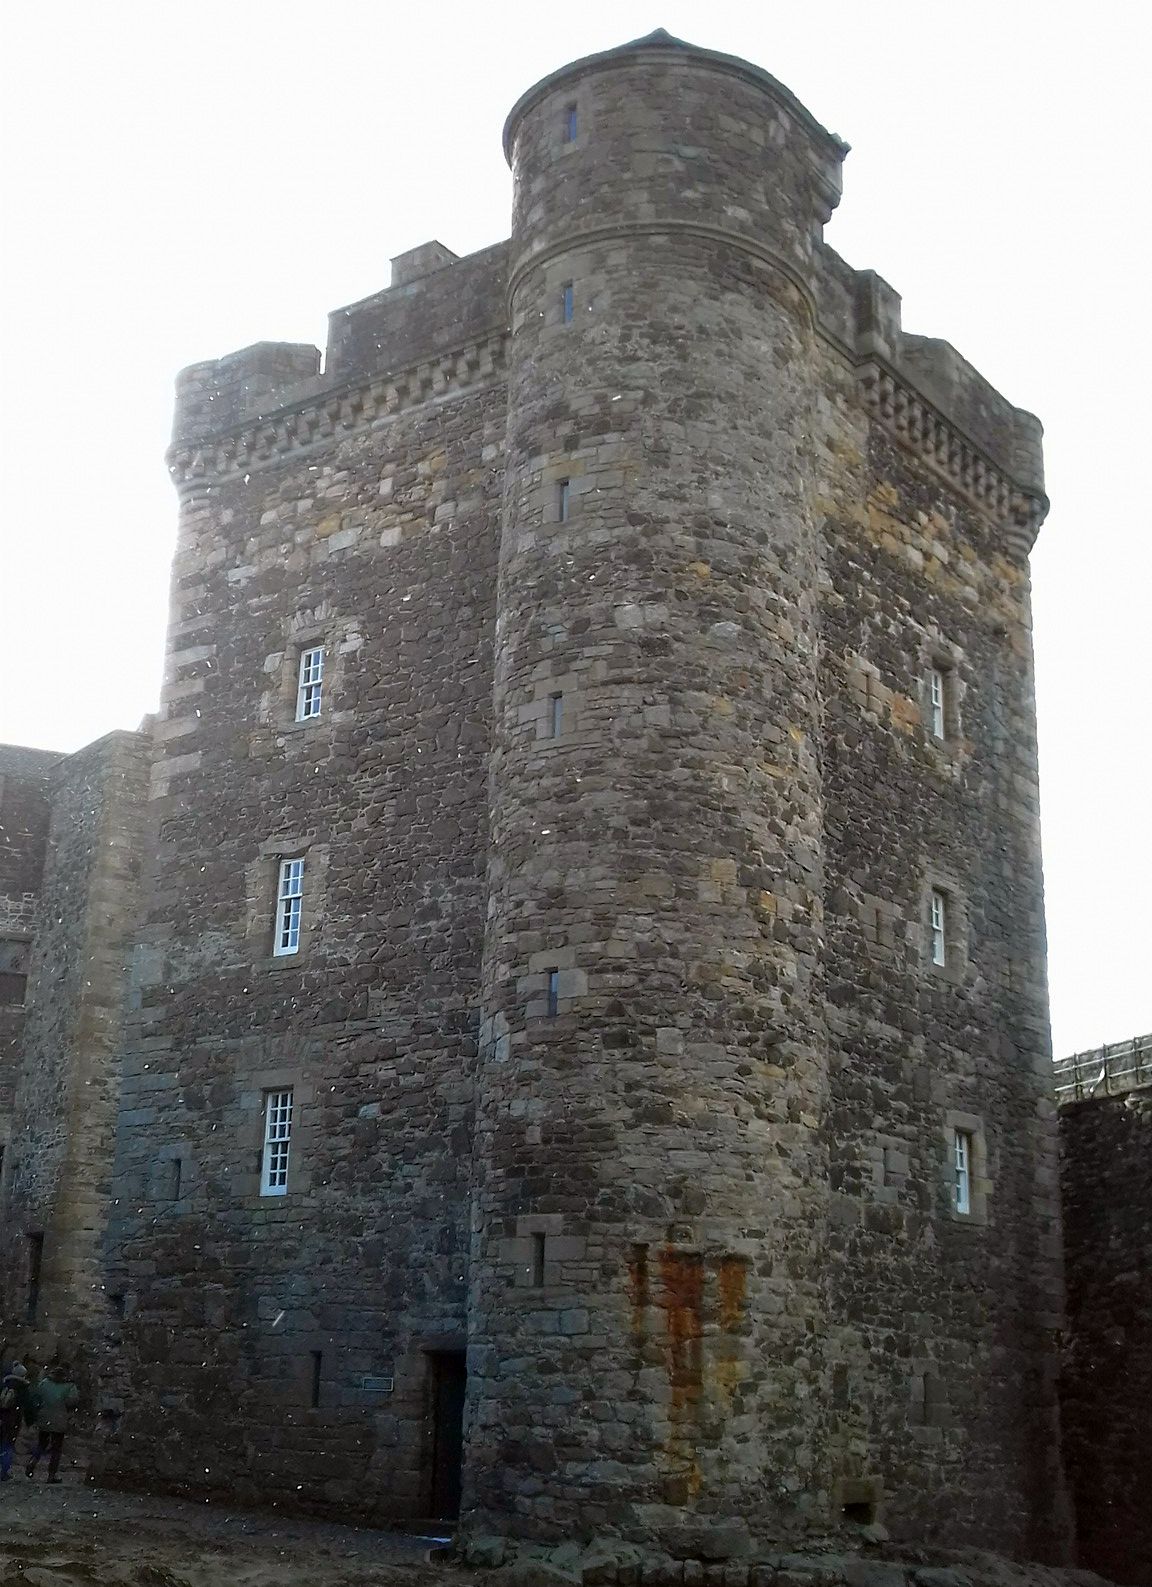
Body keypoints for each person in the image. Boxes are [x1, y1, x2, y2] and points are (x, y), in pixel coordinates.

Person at [25, 1361, 79, 1484]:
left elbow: (36, 1397)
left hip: (44, 1418)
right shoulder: (69, 1386)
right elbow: (72, 1402)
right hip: (59, 1420)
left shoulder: (44, 1383)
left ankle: (32, 1461)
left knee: (41, 1443)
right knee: (56, 1449)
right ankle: (51, 1475)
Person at [0, 1362, 34, 1481]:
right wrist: (30, 1421)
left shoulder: (4, 1384)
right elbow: (29, 1406)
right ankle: (4, 1471)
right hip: (13, 1419)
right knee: (8, 1445)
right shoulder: (23, 1388)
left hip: (2, 1417)